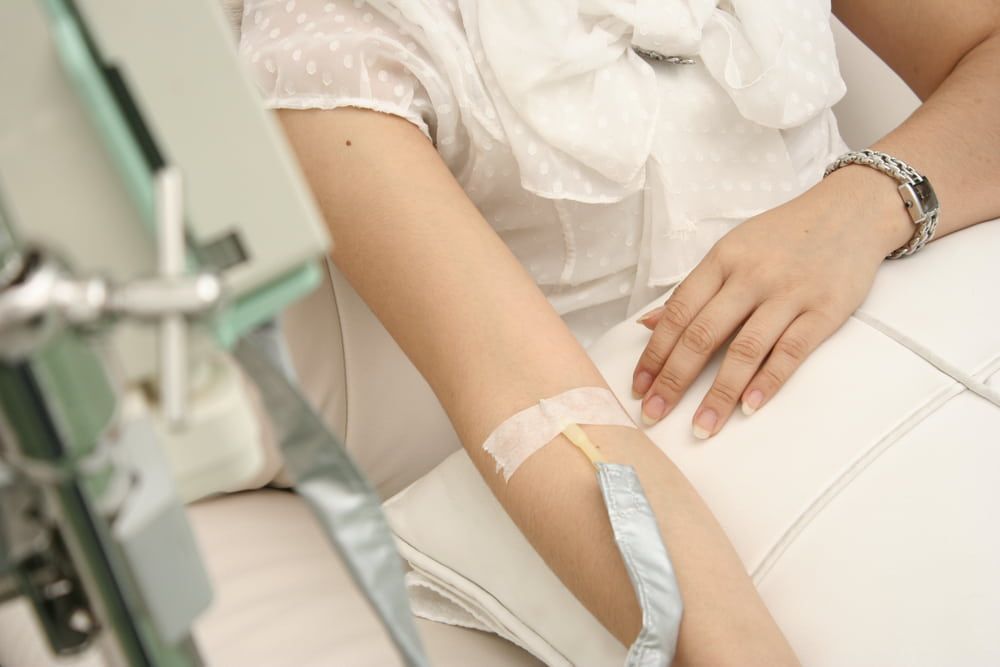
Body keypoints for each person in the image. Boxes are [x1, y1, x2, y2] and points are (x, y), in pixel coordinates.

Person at [239, 1, 1000, 664]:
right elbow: (530, 409)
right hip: (696, 483)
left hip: (933, 334)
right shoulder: (329, 36)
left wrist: (866, 203)